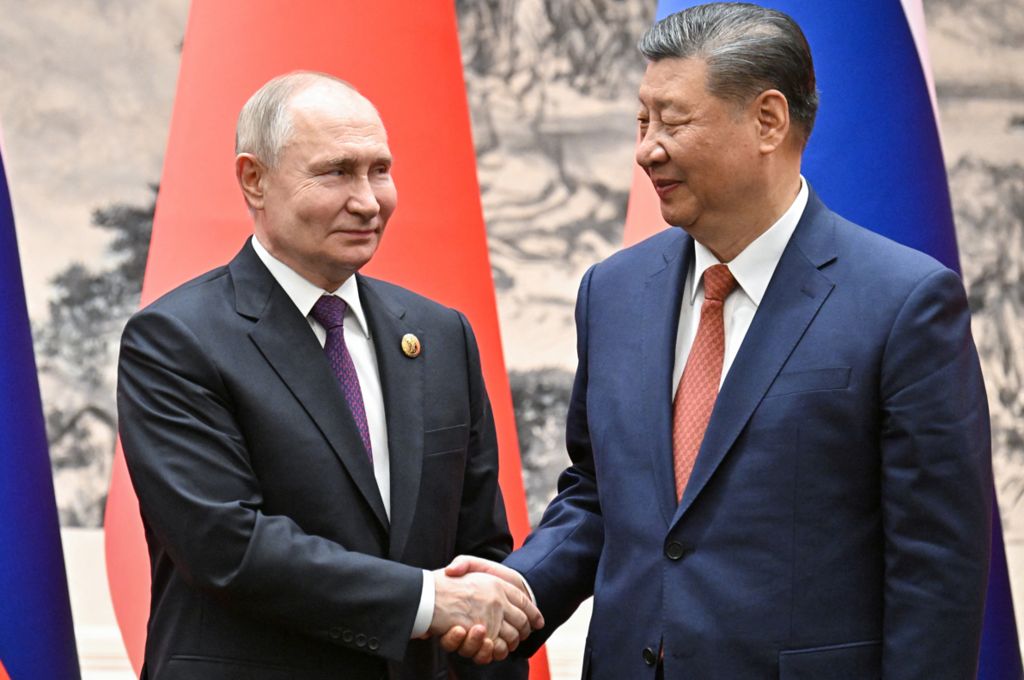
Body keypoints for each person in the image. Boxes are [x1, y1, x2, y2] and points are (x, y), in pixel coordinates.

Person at [445, 3, 992, 678]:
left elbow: (936, 570)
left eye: (672, 121)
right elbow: (598, 491)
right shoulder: (613, 293)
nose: (647, 148)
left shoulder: (903, 304)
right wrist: (519, 588)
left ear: (767, 120)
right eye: (641, 121)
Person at [116, 71, 540, 680]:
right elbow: (227, 545)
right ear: (253, 179)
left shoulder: (442, 334)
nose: (368, 200)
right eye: (336, 172)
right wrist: (426, 601)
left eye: (380, 170)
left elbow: (480, 550)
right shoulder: (177, 339)